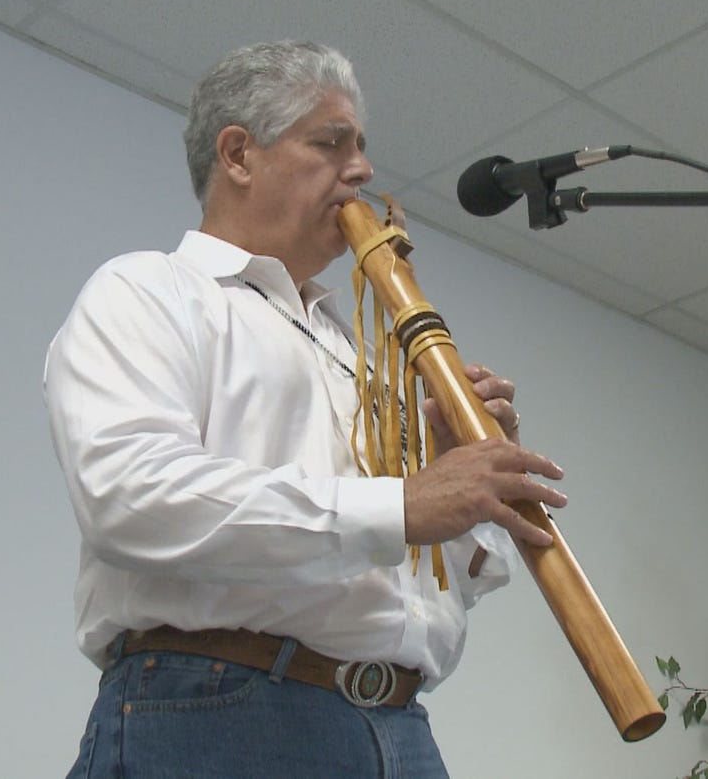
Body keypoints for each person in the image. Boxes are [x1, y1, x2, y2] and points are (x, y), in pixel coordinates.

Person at [44, 40, 568, 778]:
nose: (362, 170)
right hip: (222, 710)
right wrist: (401, 503)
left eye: (361, 147)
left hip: (400, 728)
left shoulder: (354, 350)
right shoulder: (148, 290)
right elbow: (130, 496)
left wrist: (462, 486)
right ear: (238, 155)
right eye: (331, 143)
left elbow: (408, 576)